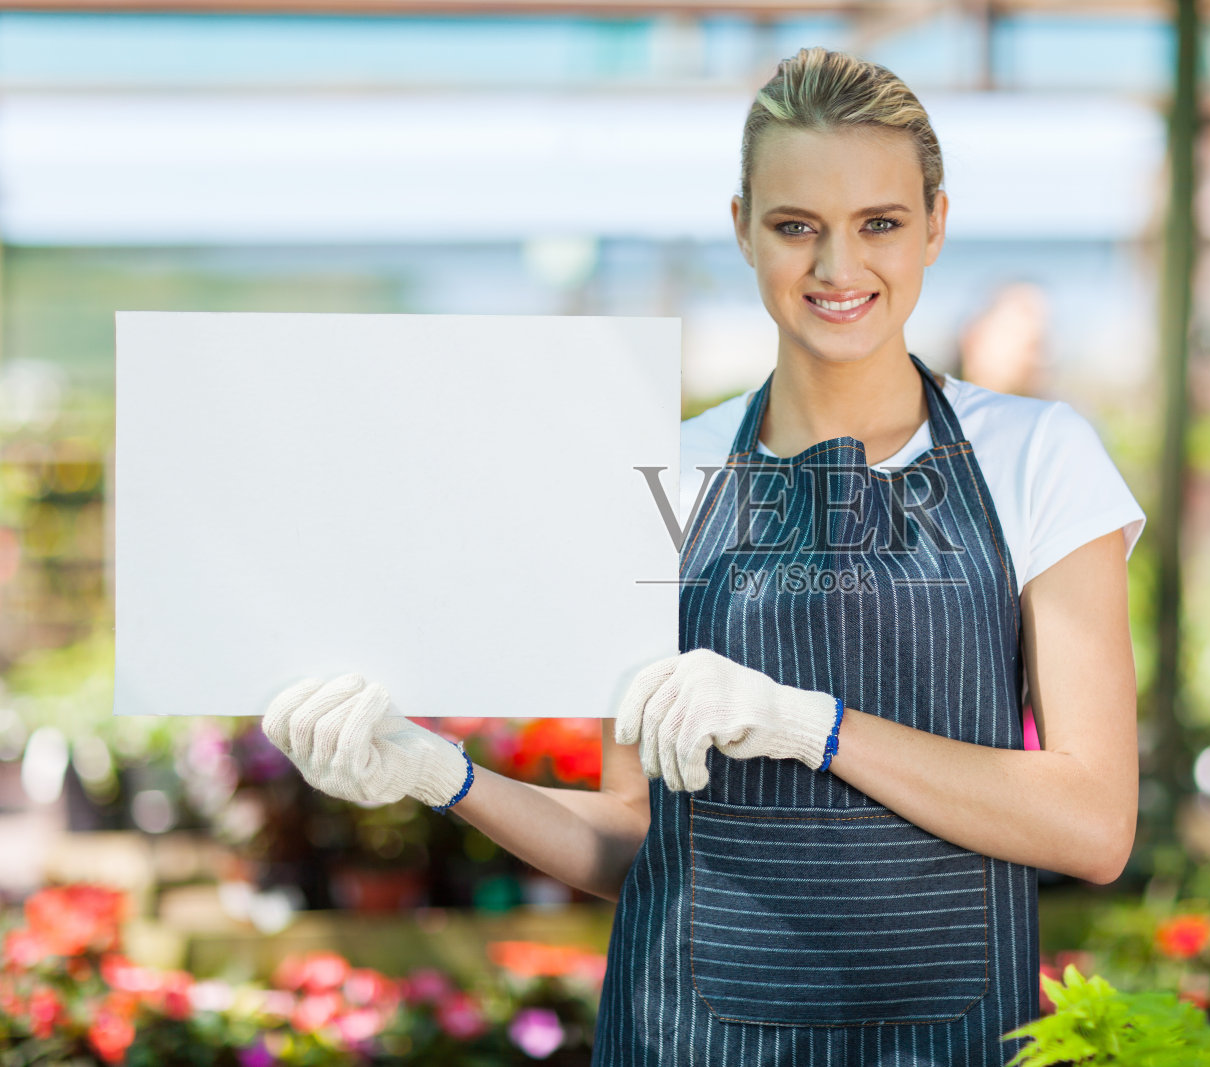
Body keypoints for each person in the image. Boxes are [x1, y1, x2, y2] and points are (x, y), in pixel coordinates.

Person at [263, 48, 1145, 1066]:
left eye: (880, 224)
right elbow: (633, 835)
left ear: (935, 224)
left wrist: (807, 724)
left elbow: (1092, 822)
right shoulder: (665, 469)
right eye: (796, 226)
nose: (838, 267)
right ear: (742, 227)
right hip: (686, 1035)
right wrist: (441, 773)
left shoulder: (1036, 456)